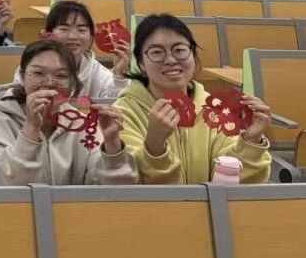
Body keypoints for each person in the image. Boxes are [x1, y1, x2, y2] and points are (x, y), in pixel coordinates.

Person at [115, 14, 272, 184]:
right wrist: (154, 146)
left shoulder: (215, 109)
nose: (170, 60)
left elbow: (235, 185)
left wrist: (251, 141)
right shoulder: (122, 114)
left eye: (179, 50)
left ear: (193, 55)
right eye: (157, 52)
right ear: (141, 64)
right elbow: (126, 186)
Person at [0, 39, 138, 186]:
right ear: (22, 76)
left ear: (72, 84)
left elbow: (116, 194)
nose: (50, 83)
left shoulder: (82, 126)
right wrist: (30, 130)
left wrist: (112, 146)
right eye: (38, 73)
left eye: (61, 75)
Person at [17, 1, 129, 98]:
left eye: (81, 30)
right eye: (64, 29)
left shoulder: (100, 75)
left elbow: (114, 106)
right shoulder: (33, 69)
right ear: (48, 33)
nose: (73, 37)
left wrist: (119, 76)